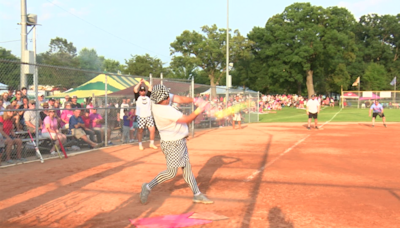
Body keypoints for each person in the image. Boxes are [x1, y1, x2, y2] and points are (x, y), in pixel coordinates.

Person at [139, 84, 213, 205]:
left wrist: (195, 100)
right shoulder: (165, 111)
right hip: (172, 144)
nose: (169, 97)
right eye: (167, 96)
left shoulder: (160, 100)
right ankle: (147, 187)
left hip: (179, 141)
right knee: (171, 172)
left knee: (187, 169)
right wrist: (200, 108)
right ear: (162, 99)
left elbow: (179, 98)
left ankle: (197, 194)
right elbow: (187, 119)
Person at [134, 79, 157, 150]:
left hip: (148, 115)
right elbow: (135, 89)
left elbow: (150, 87)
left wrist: (145, 82)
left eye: (144, 90)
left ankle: (151, 143)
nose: (143, 92)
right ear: (140, 92)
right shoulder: (138, 97)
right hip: (141, 116)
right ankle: (140, 144)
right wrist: (139, 83)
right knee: (140, 131)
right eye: (141, 91)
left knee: (152, 130)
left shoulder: (148, 96)